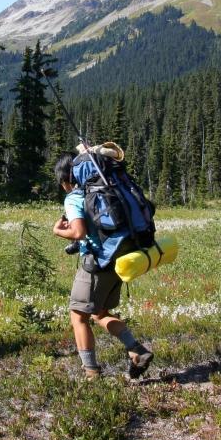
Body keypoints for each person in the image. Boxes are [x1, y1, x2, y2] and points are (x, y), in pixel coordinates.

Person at [52, 152, 153, 380]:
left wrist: (58, 231)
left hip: (98, 263)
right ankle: (137, 351)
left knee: (78, 317)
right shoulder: (105, 188)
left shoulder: (74, 197)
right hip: (120, 258)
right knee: (99, 313)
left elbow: (78, 232)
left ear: (67, 179)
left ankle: (91, 373)